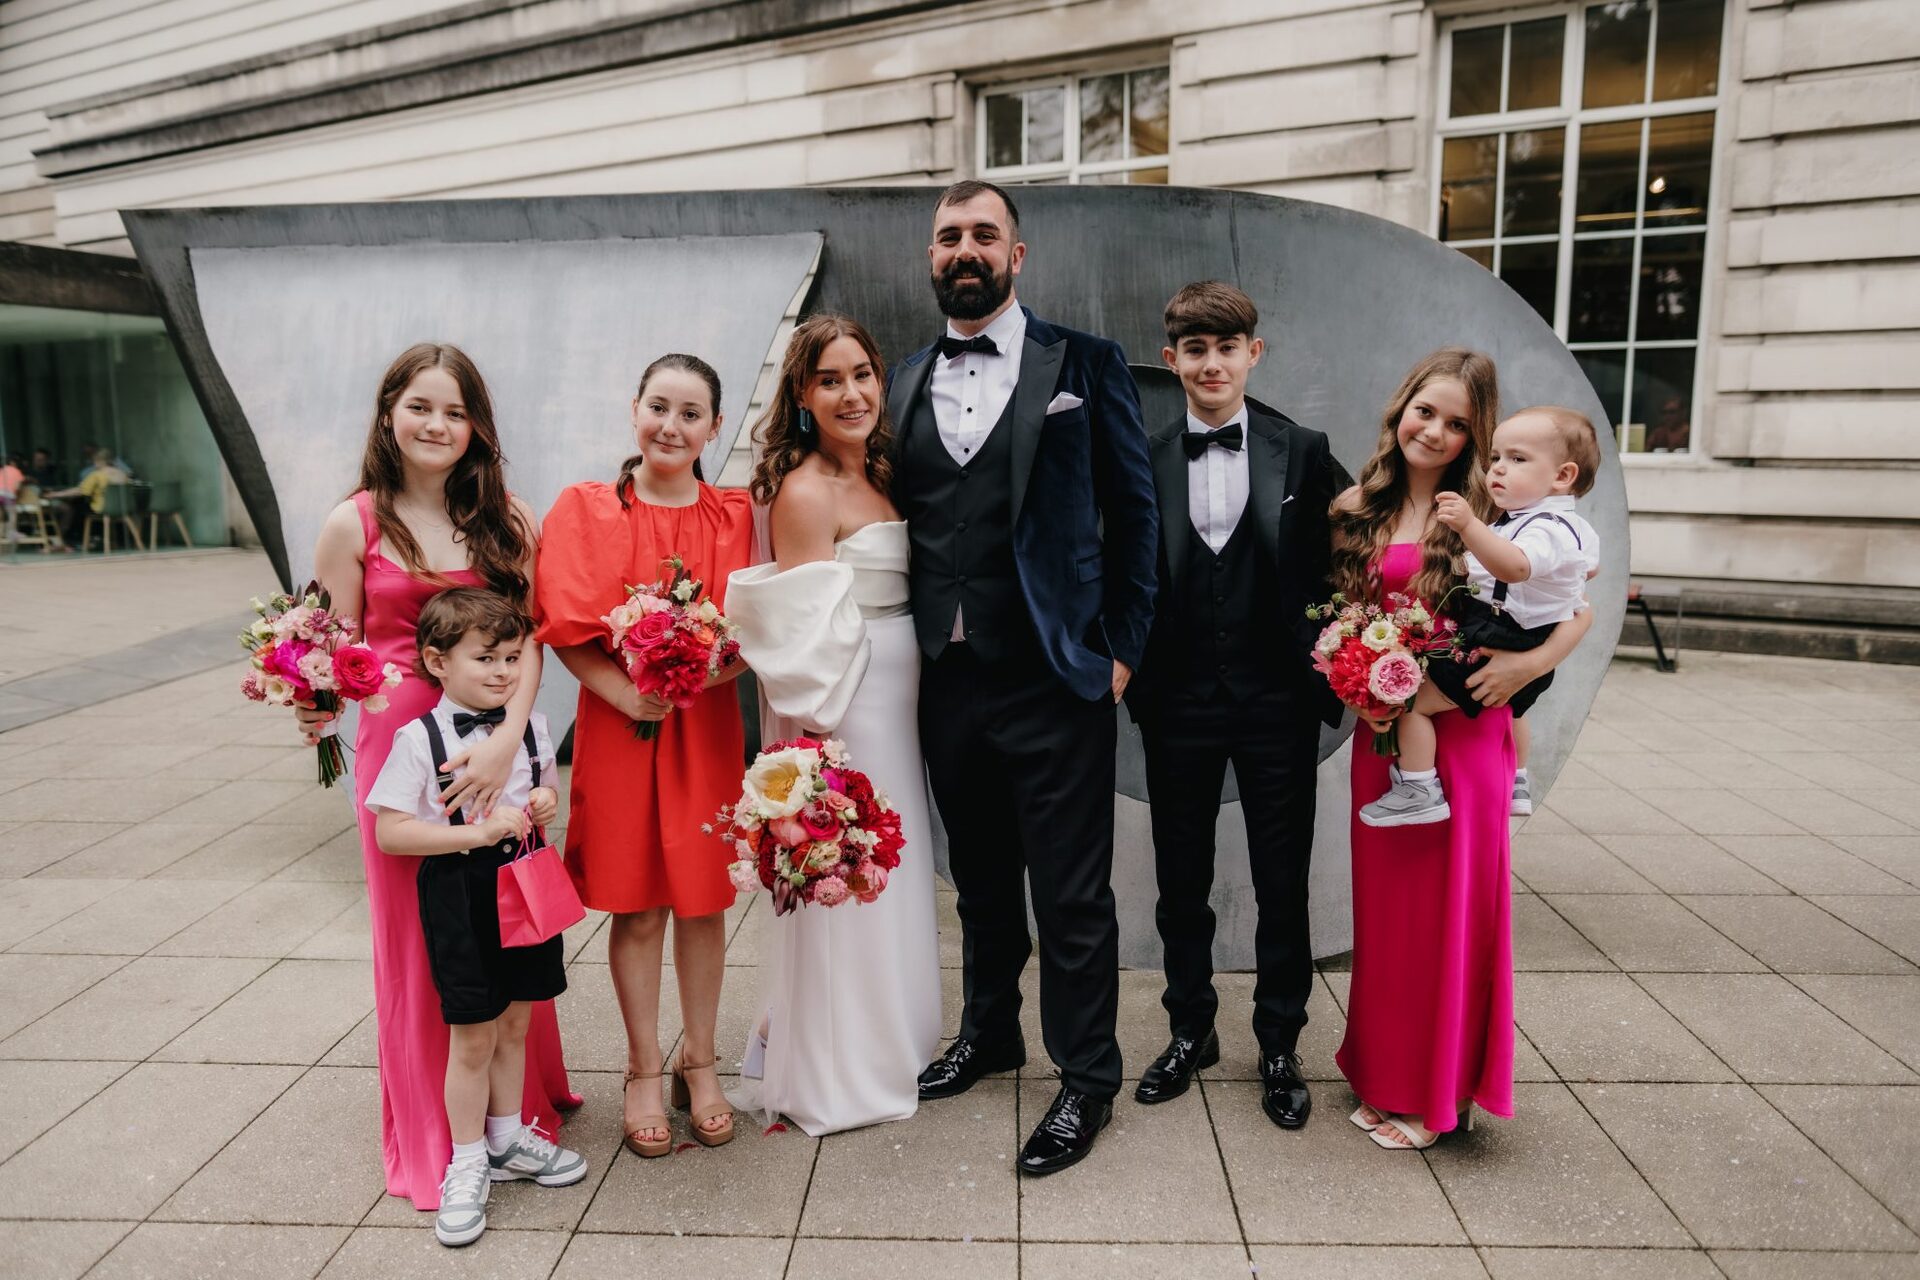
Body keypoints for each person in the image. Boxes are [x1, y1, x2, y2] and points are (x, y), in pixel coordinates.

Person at [892, 180, 1158, 1176]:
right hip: (946, 675)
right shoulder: (907, 377)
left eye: (983, 234)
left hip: (1056, 671)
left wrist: (1123, 647)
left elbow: (1137, 517)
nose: (965, 248)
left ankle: (1086, 1077)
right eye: (949, 235)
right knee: (980, 877)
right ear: (932, 257)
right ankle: (989, 1030)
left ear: (1018, 253)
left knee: (1072, 889)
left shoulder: (1080, 362)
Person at [295, 342, 577, 1210]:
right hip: (399, 756)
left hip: (493, 739)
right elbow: (328, 649)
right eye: (421, 406)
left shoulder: (508, 519)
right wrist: (310, 701)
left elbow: (531, 641)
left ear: (476, 427)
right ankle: (440, 1135)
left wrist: (508, 743)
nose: (437, 425)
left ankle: (512, 1119)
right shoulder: (355, 524)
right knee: (424, 938)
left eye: (455, 411)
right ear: (390, 413)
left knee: (512, 919)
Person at [1330, 350, 1592, 1151]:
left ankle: (1437, 1095)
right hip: (1387, 739)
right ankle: (1386, 1075)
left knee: (1451, 917)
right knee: (1389, 920)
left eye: (1458, 424)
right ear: (1399, 408)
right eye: (1426, 411)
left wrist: (1530, 665)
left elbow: (1578, 600)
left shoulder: (1496, 505)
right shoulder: (1351, 509)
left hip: (1467, 737)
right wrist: (1355, 672)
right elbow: (1335, 617)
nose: (1437, 432)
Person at [1125, 282, 1344, 1128]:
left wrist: (1334, 662)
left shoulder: (1304, 447)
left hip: (1277, 700)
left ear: (1254, 354)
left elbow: (1336, 566)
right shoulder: (1141, 455)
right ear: (1172, 357)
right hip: (1176, 699)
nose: (1211, 363)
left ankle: (1280, 1041)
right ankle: (1190, 1031)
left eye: (1227, 348)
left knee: (1281, 881)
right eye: (1194, 349)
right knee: (1180, 880)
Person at [722, 313, 943, 1135]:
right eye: (829, 380)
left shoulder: (882, 470)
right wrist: (817, 766)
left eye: (862, 374)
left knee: (900, 864)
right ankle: (841, 1063)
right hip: (846, 705)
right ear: (802, 396)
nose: (851, 393)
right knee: (850, 870)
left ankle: (896, 1035)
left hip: (900, 695)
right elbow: (802, 643)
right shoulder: (806, 490)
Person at [535, 353, 754, 1156]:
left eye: (690, 413)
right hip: (623, 721)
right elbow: (563, 623)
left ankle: (700, 1061)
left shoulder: (734, 515)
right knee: (638, 903)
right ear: (634, 409)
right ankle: (638, 1068)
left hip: (703, 725)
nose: (671, 425)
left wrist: (708, 667)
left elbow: (756, 627)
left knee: (702, 899)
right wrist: (625, 690)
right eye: (658, 406)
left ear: (713, 428)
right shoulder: (590, 509)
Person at [365, 588, 587, 1247]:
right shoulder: (419, 736)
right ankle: (465, 1163)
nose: (502, 672)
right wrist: (476, 835)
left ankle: (507, 1139)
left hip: (526, 878)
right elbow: (392, 836)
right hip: (461, 890)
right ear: (437, 662)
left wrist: (544, 801)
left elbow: (541, 784)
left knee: (518, 1018)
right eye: (485, 657)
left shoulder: (532, 727)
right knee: (472, 1031)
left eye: (513, 657)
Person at [1360, 406, 1602, 827]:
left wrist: (1470, 526)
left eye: (1517, 459)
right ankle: (1518, 781)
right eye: (1496, 458)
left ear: (1563, 476)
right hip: (1524, 635)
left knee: (1414, 702)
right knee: (1516, 710)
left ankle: (1418, 786)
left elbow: (1514, 567)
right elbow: (1586, 570)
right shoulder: (1560, 525)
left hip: (1500, 636)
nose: (1499, 470)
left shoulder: (1542, 527)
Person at [44, 448, 130, 548]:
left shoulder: (97, 475)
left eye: (94, 461)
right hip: (123, 508)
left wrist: (55, 494)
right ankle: (101, 538)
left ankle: (80, 539)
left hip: (103, 508)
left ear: (99, 461)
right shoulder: (122, 474)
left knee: (76, 507)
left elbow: (80, 491)